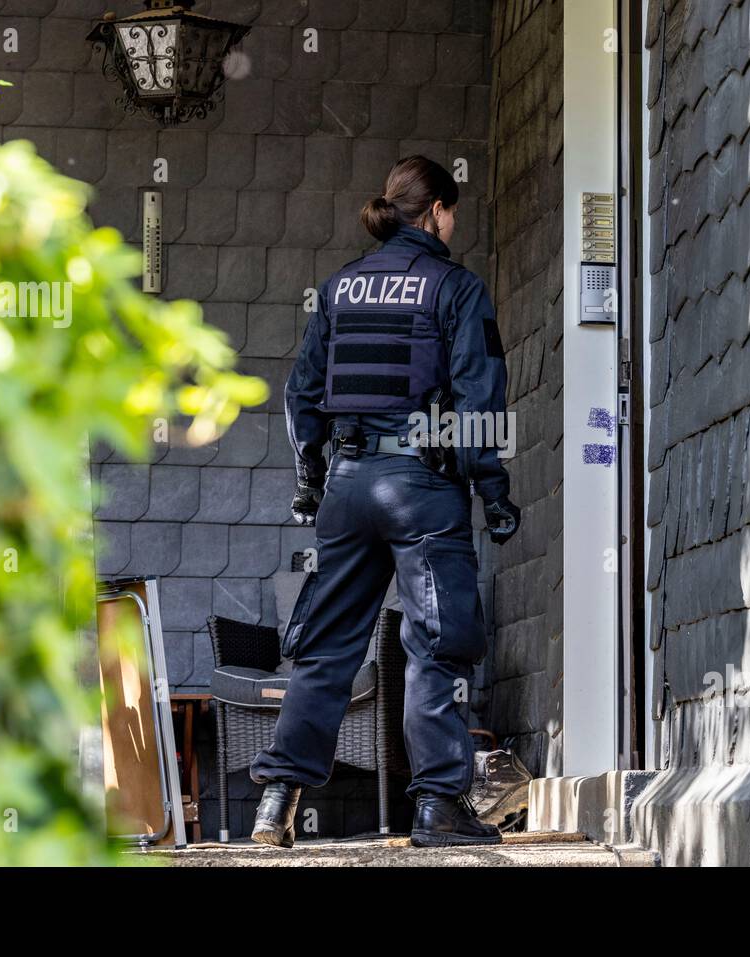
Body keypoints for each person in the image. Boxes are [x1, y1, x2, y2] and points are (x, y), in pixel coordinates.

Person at [248, 155, 522, 848]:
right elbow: (477, 400)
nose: (454, 225)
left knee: (326, 646)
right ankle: (437, 806)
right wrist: (493, 491)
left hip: (347, 482)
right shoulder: (455, 289)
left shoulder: (339, 289)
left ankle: (277, 801)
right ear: (433, 212)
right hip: (422, 488)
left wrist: (312, 475)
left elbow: (302, 393)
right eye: (452, 211)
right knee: (436, 641)